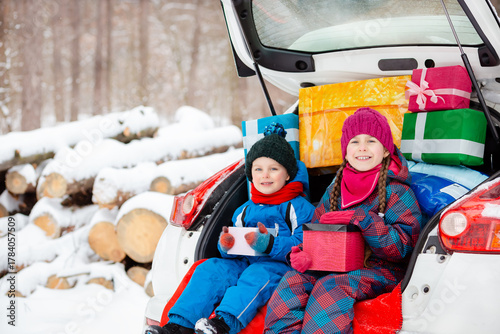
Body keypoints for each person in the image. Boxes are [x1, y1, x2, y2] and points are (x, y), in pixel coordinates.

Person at [264, 107, 423, 334]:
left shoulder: (396, 191)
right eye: (354, 142)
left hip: (382, 269)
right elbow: (315, 231)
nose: (362, 148)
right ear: (345, 152)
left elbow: (402, 249)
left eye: (371, 141)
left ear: (386, 150)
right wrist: (302, 251)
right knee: (292, 281)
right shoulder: (335, 190)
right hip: (333, 263)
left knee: (332, 287)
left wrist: (365, 221)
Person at [145, 124, 315, 334]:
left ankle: (223, 324)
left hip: (278, 266)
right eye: (258, 169)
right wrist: (227, 245)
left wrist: (270, 244)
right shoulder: (244, 210)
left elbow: (305, 243)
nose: (265, 175)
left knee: (256, 274)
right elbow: (233, 250)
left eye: (274, 169)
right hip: (244, 261)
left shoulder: (298, 207)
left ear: (287, 174)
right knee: (210, 268)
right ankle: (179, 325)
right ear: (251, 174)